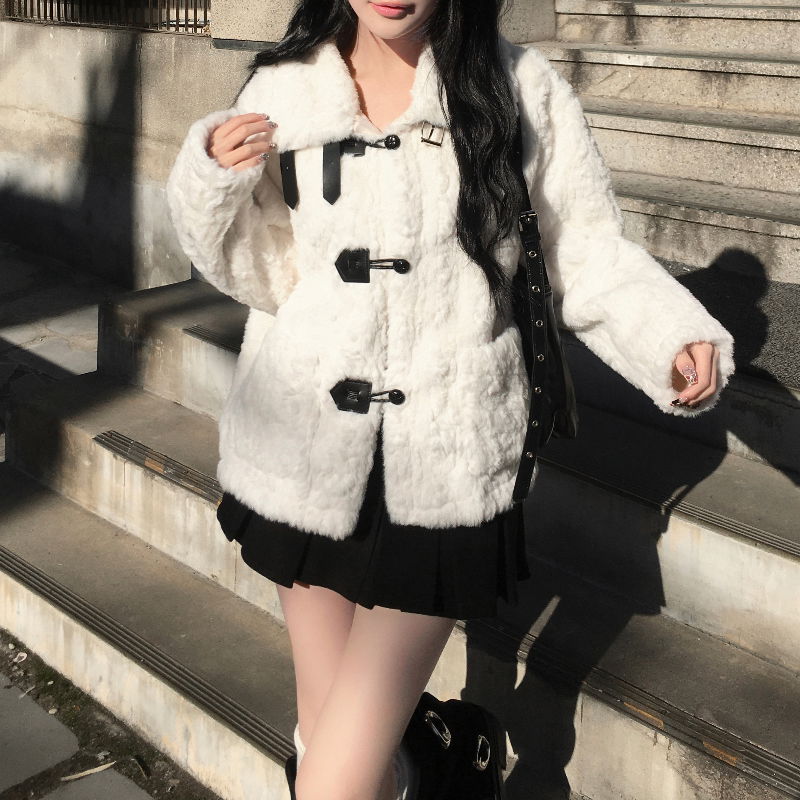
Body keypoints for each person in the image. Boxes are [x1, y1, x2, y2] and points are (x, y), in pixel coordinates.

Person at [165, 1, 735, 798]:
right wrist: (209, 182)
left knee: (331, 782)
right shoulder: (285, 87)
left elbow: (582, 248)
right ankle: (432, 765)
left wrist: (667, 334)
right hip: (302, 447)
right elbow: (263, 274)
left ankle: (434, 763)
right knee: (323, 739)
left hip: (446, 457)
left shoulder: (518, 87)